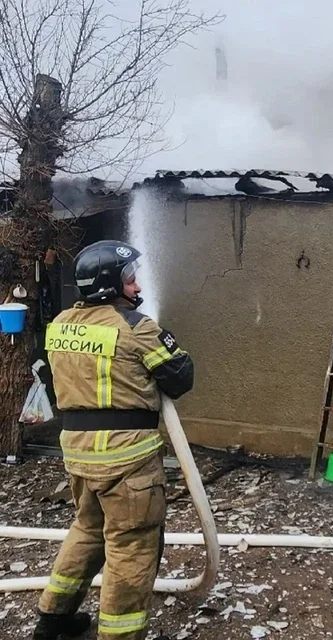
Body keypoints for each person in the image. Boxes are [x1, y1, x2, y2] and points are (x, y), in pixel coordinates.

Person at [31, 240, 194, 640]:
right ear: (110, 285)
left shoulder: (61, 325)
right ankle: (119, 635)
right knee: (131, 544)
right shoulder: (136, 327)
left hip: (77, 454)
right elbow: (180, 377)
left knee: (87, 529)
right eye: (131, 280)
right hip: (128, 460)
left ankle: (53, 620)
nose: (137, 287)